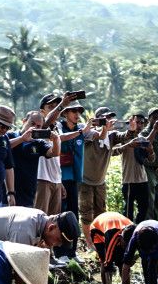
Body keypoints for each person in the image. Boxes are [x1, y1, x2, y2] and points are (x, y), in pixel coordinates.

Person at [79, 107, 128, 246]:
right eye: (104, 118)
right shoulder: (88, 132)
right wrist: (99, 127)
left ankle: (100, 240)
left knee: (101, 211)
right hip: (85, 180)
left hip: (100, 181)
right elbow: (88, 136)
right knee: (86, 213)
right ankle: (89, 243)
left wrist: (132, 129)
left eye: (109, 118)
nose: (107, 121)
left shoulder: (112, 136)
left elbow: (125, 136)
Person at [54, 100, 93, 260]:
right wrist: (81, 132)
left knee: (73, 214)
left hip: (75, 178)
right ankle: (60, 252)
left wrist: (104, 127)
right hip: (60, 178)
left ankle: (72, 251)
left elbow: (100, 135)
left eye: (79, 111)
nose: (77, 115)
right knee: (60, 215)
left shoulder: (81, 129)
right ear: (65, 113)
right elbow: (58, 139)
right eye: (73, 111)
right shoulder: (58, 127)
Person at [8, 111, 60, 208]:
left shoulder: (39, 143)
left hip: (28, 193)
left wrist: (56, 140)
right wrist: (22, 139)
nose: (35, 128)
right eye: (32, 124)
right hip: (9, 191)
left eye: (38, 126)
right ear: (24, 121)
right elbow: (3, 146)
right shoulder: (11, 135)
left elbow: (54, 153)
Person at [89, 211, 135, 284]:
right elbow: (107, 263)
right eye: (125, 245)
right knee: (104, 260)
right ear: (121, 238)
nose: (126, 248)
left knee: (122, 261)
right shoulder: (112, 238)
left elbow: (128, 262)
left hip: (120, 223)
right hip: (97, 228)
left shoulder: (135, 233)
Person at [119, 114, 152, 223]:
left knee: (144, 208)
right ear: (131, 123)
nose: (139, 125)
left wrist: (150, 151)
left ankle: (138, 231)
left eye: (142, 123)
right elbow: (115, 151)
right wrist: (129, 143)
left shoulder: (143, 139)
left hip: (142, 179)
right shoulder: (124, 137)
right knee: (128, 211)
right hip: (129, 180)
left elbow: (151, 159)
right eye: (137, 122)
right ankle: (128, 234)